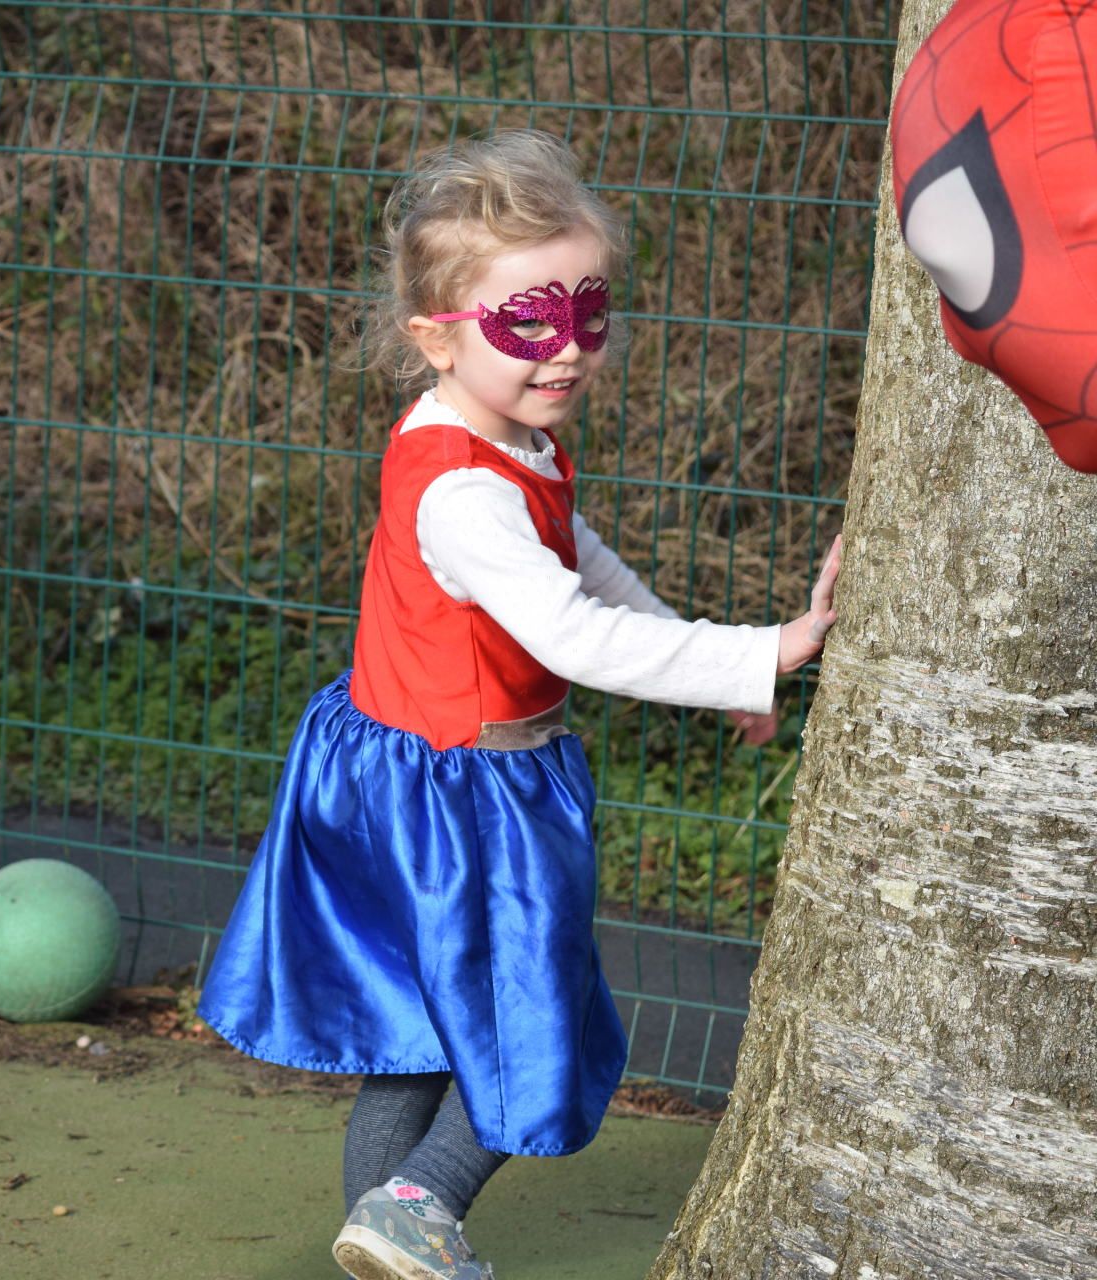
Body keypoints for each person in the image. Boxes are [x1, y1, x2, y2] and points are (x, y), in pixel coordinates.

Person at [197, 132, 841, 1280]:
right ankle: (423, 1202)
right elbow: (570, 631)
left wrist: (720, 673)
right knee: (534, 1023)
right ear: (436, 333)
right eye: (530, 320)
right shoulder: (462, 492)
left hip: (402, 768)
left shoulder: (503, 443)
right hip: (460, 801)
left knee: (421, 1039)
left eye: (589, 310)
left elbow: (583, 561)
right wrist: (771, 651)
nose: (569, 347)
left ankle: (390, 1230)